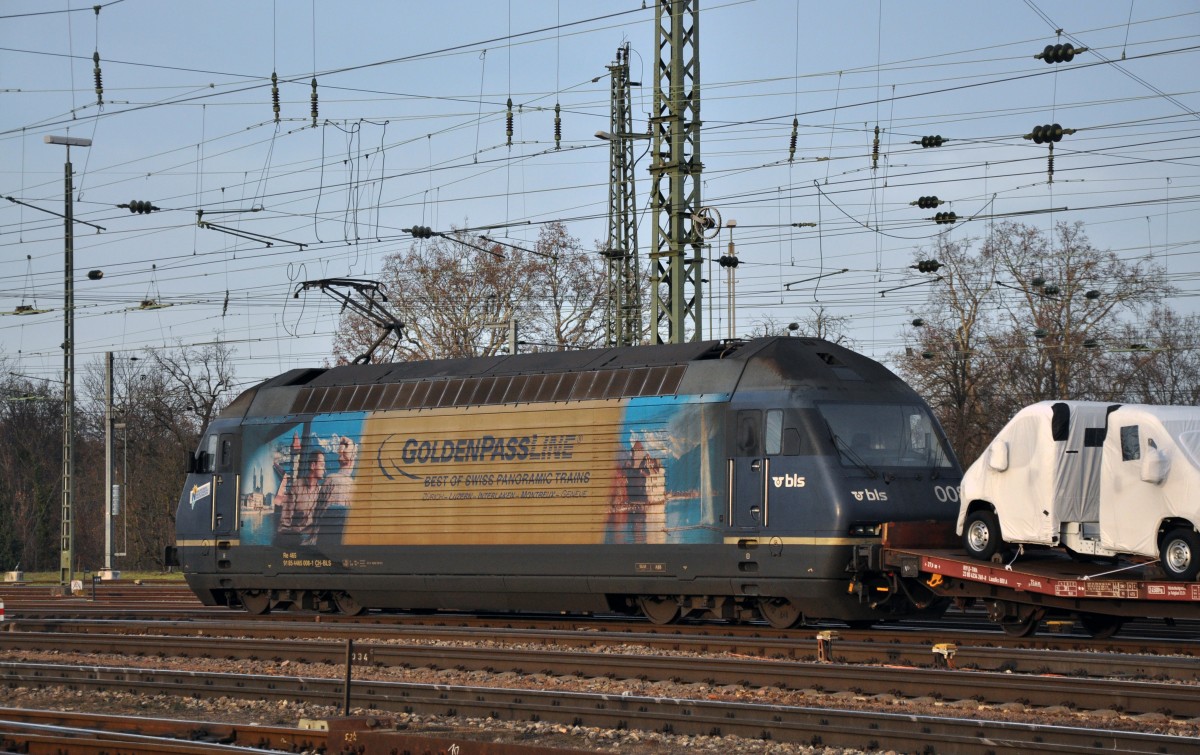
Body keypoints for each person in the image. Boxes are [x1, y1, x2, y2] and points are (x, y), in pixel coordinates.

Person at [275, 433, 325, 545]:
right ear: (312, 466)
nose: (324, 470)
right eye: (322, 465)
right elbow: (284, 524)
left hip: (313, 541)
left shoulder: (321, 492)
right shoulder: (296, 488)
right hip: (296, 540)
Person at [314, 434, 358, 543]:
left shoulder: (330, 479)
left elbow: (317, 512)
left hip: (325, 538)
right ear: (353, 459)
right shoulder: (355, 486)